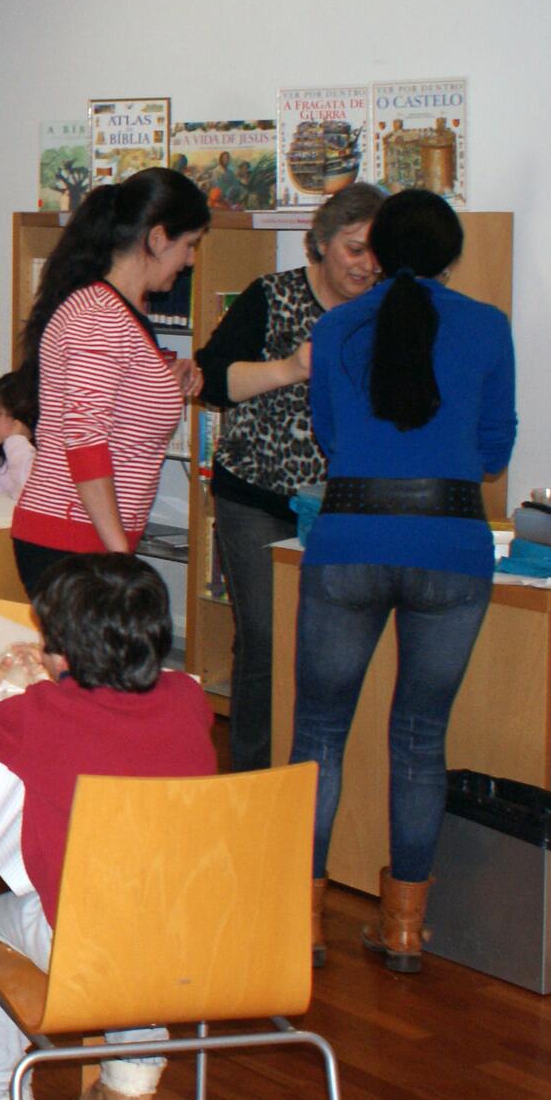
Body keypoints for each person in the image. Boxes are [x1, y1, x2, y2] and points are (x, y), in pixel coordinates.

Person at [0, 554, 215, 1100]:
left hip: (88, 942)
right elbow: (119, 720)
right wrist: (58, 680)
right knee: (140, 923)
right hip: (197, 939)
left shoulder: (43, 717)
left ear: (62, 653)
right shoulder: (188, 700)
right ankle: (129, 1089)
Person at [290, 190, 515, 972]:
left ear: (378, 252)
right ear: (453, 255)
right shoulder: (488, 327)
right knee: (421, 738)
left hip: (349, 538)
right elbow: (494, 450)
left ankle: (303, 924)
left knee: (319, 734)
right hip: (452, 545)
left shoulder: (337, 326)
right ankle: (405, 930)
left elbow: (328, 436)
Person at [193, 184, 385, 771]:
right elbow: (210, 379)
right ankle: (254, 779)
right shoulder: (272, 295)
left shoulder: (384, 313)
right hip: (257, 495)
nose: (366, 265)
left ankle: (314, 773)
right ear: (321, 243)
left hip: (344, 505)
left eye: (377, 253)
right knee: (268, 638)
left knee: (333, 642)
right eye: (355, 249)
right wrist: (291, 368)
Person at [8, 167, 211, 596]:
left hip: (87, 538)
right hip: (71, 538)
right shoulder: (99, 317)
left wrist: (165, 382)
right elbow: (85, 438)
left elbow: (115, 407)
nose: (191, 260)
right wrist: (120, 554)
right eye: (189, 245)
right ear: (158, 238)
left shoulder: (119, 313)